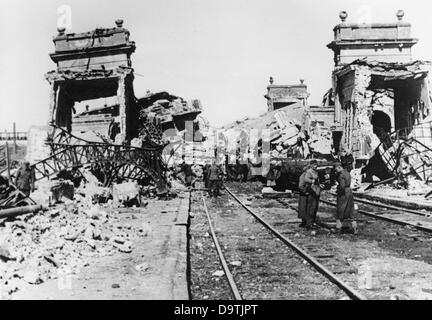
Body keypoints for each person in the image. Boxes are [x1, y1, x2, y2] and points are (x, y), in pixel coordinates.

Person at [334, 162, 357, 234]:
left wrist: (337, 189)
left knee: (340, 210)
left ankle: (338, 228)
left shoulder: (341, 176)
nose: (336, 171)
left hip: (343, 193)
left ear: (339, 167)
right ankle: (355, 228)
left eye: (336, 169)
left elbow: (342, 186)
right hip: (349, 192)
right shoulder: (347, 172)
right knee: (350, 210)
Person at [298, 160, 321, 229]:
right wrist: (306, 192)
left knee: (310, 208)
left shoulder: (312, 173)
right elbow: (301, 185)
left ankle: (307, 222)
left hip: (312, 193)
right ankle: (309, 223)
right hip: (307, 194)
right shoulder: (305, 175)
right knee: (309, 208)